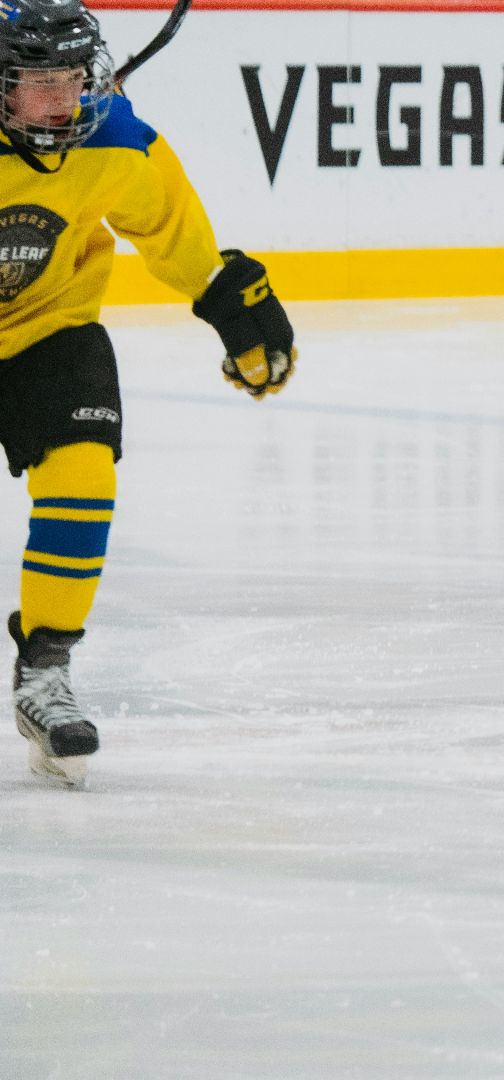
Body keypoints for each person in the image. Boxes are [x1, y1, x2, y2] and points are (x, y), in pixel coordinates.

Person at [0, 0, 296, 786]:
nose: (63, 99)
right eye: (39, 82)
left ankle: (45, 671)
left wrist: (236, 309)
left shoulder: (112, 138)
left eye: (71, 77)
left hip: (47, 325)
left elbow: (173, 232)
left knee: (85, 473)